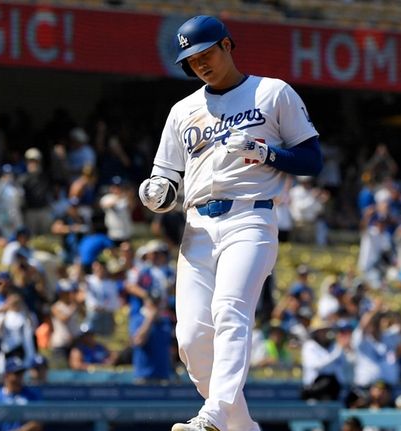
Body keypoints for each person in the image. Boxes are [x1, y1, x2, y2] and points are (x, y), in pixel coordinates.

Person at [137, 15, 322, 431]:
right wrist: (157, 190)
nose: (199, 63)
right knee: (191, 341)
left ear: (227, 45)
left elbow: (312, 159)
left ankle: (214, 416)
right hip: (197, 226)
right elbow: (165, 174)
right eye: (191, 59)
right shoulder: (183, 110)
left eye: (205, 53)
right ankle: (241, 426)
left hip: (250, 218)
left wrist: (265, 152)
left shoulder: (272, 92)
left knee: (229, 311)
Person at [0, 357, 42, 431]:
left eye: (21, 373)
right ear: (6, 375)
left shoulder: (32, 395)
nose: (20, 377)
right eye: (17, 373)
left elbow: (38, 422)